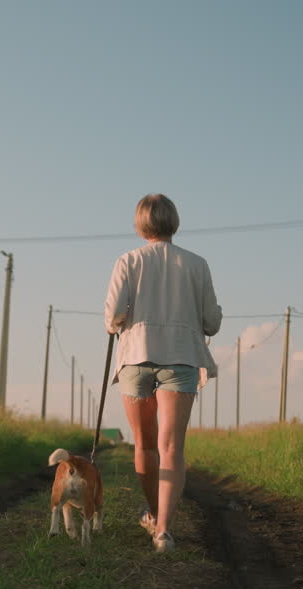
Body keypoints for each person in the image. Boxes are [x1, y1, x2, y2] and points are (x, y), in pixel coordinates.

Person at [104, 194, 221, 552]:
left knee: (145, 444)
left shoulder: (128, 260)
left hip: (137, 356)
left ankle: (153, 514)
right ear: (174, 221)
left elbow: (112, 317)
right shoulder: (197, 264)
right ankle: (164, 532)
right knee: (171, 447)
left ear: (140, 224)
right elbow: (211, 323)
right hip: (182, 357)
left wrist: (123, 320)